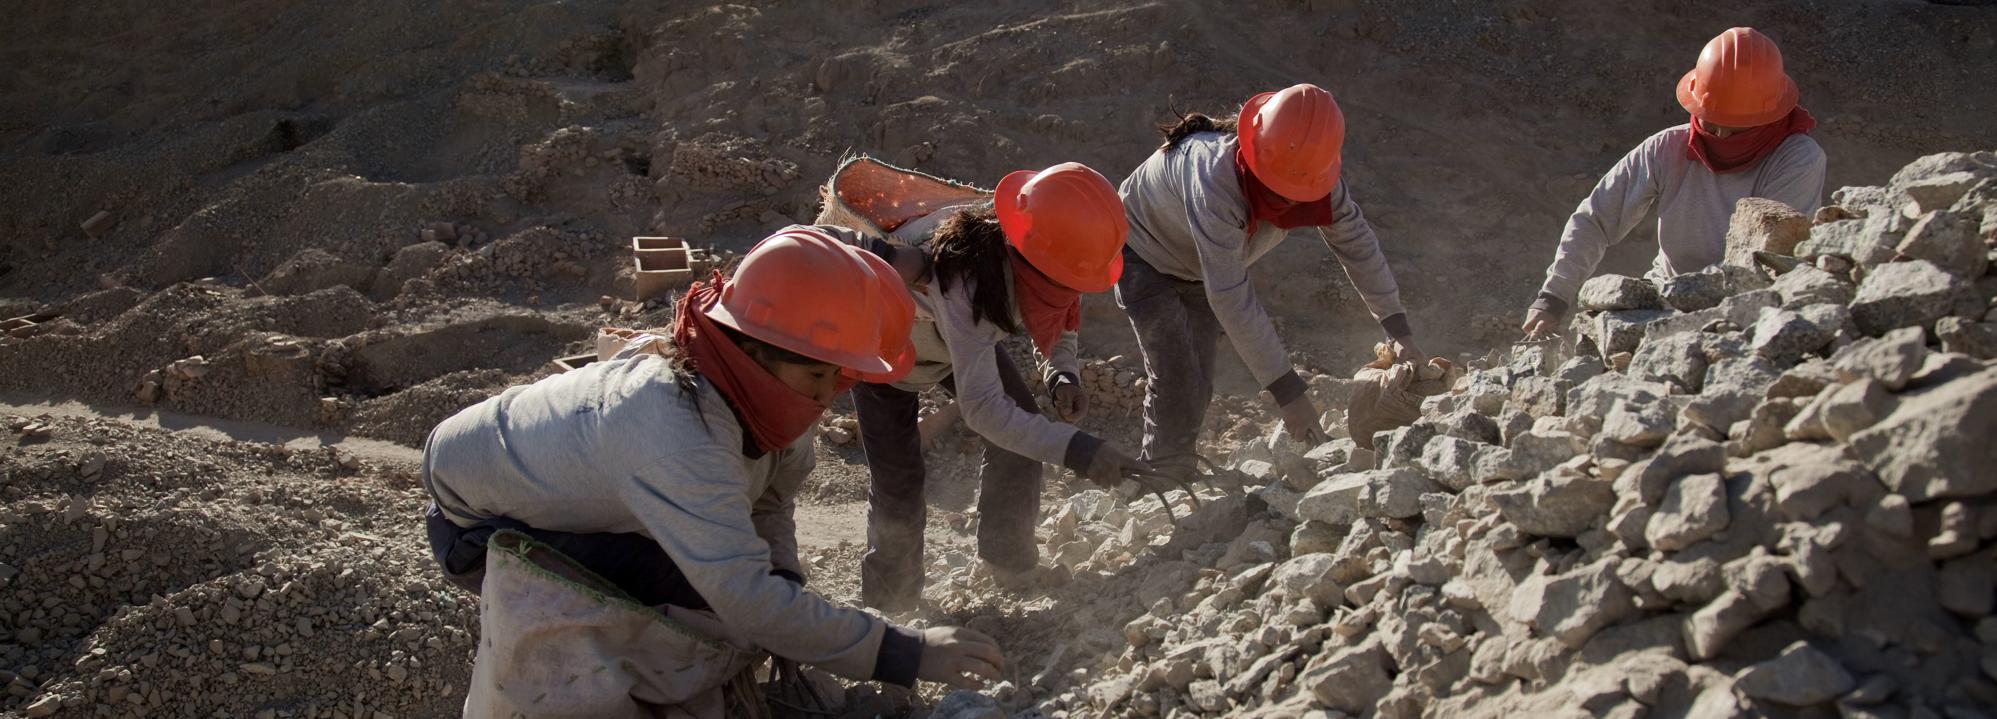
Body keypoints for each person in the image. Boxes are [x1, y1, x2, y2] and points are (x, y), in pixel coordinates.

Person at [420, 227, 1003, 711]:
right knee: (701, 608)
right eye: (817, 377)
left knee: (736, 593)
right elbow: (743, 595)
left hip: (566, 484)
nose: (825, 401)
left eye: (839, 381)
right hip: (475, 522)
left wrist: (786, 580)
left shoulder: (761, 400)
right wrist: (910, 652)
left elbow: (771, 503)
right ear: (751, 348)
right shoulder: (673, 428)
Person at [821, 160, 1167, 612]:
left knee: (1018, 439)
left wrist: (1062, 370)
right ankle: (891, 608)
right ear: (1030, 260)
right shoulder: (966, 274)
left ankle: (1010, 561)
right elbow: (984, 409)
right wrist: (1080, 451)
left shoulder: (1046, 245)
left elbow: (1063, 313)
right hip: (886, 348)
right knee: (899, 480)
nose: (1069, 288)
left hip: (953, 342)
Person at [1115, 83, 1422, 481]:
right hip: (1143, 251)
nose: (1292, 201)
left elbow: (1357, 245)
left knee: (1198, 378)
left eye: (1300, 193)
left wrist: (1397, 327)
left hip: (1198, 262)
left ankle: (1174, 466)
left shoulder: (1316, 177)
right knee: (1175, 371)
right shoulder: (1213, 178)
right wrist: (1289, 395)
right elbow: (1230, 294)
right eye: (1282, 192)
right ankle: (1160, 479)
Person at [1522, 27, 1826, 340]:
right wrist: (1553, 296)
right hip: (1666, 293)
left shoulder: (1797, 159)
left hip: (1750, 311)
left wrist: (1693, 304)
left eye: (1736, 130)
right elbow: (1596, 219)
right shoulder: (1667, 148)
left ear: (1768, 117)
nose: (1720, 138)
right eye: (1711, 124)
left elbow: (1765, 261)